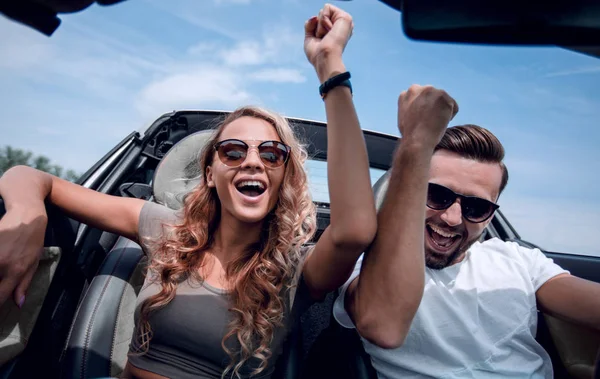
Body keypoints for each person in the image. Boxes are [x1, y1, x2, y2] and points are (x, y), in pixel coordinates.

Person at [0, 4, 377, 379]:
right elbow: (31, 177)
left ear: (283, 178)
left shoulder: (296, 270)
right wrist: (23, 215)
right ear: (211, 173)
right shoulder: (165, 228)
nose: (252, 161)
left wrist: (329, 66)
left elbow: (356, 230)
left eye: (271, 153)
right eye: (233, 150)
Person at [333, 85, 600, 378]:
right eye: (436, 195)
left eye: (476, 207)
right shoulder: (369, 265)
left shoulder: (519, 260)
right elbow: (381, 325)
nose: (452, 218)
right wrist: (416, 146)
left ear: (490, 215)